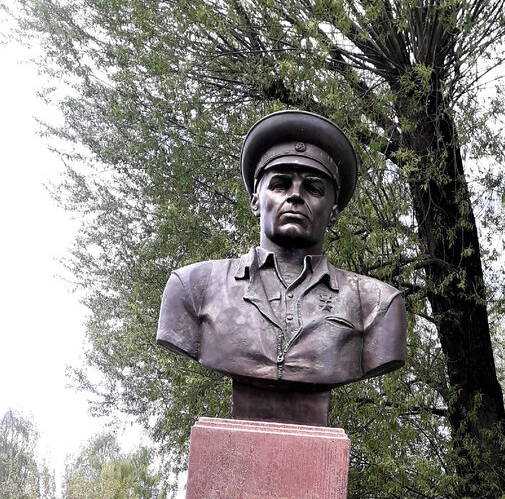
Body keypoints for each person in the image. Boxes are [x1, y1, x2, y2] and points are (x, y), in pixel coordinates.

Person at [156, 110, 407, 426]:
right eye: (280, 184)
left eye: (313, 188)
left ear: (333, 213)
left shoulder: (377, 305)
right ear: (255, 201)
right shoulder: (193, 288)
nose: (295, 196)